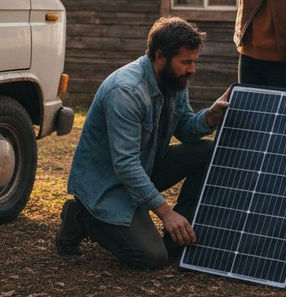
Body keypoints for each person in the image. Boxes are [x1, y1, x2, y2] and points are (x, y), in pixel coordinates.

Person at [55, 17, 229, 270]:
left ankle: (178, 235)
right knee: (151, 258)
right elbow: (125, 165)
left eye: (194, 62)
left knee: (208, 152)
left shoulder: (174, 81)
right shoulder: (126, 91)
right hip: (107, 184)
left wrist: (210, 116)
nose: (192, 69)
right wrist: (165, 213)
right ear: (161, 56)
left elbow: (186, 130)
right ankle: (82, 217)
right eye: (187, 62)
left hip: (144, 168)